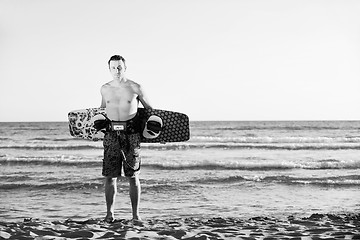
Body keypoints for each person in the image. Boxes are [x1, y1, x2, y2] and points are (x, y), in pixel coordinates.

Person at [99, 55, 152, 222]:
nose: (117, 70)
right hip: (111, 135)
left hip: (132, 135)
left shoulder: (136, 87)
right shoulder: (104, 88)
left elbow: (150, 112)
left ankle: (136, 216)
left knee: (133, 176)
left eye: (120, 67)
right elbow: (101, 112)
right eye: (113, 67)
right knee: (110, 176)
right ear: (109, 69)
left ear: (125, 68)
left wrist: (154, 133)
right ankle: (110, 214)